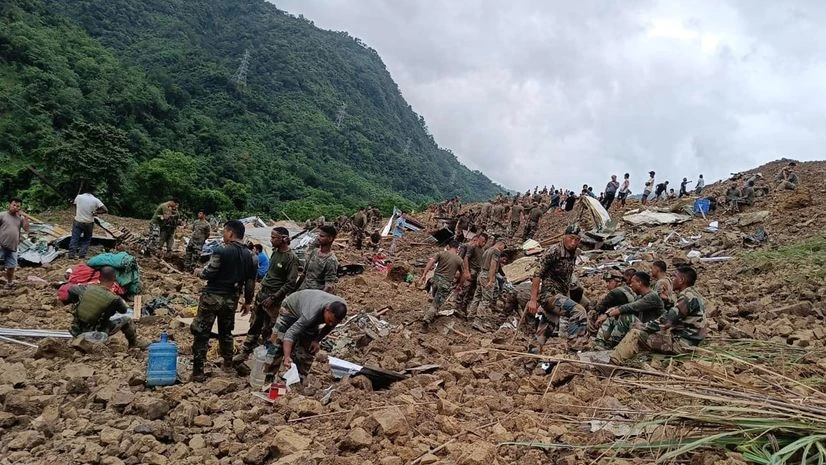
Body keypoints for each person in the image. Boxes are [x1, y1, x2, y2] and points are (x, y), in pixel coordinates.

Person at [190, 220, 256, 382]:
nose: (224, 235)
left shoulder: (221, 251)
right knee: (226, 333)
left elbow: (209, 273)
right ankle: (227, 366)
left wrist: (198, 272)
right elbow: (250, 282)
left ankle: (198, 372)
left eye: (225, 232)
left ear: (230, 233)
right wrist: (247, 302)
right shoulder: (251, 256)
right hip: (231, 299)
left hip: (212, 297)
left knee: (201, 332)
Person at [609, 266, 706, 365]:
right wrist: (667, 301)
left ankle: (612, 364)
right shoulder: (693, 294)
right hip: (690, 340)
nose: (672, 280)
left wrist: (643, 326)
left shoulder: (687, 297)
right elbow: (676, 314)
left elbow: (667, 320)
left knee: (635, 334)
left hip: (683, 344)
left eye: (674, 277)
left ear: (681, 280)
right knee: (652, 332)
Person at [236, 227, 299, 362]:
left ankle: (265, 358)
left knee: (268, 329)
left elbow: (290, 283)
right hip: (262, 294)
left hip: (274, 299)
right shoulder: (275, 252)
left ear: (283, 239)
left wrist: (274, 297)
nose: (271, 240)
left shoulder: (291, 258)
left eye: (274, 238)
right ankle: (246, 352)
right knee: (254, 325)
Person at [266, 289, 347, 377]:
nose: (331, 324)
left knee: (309, 348)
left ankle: (297, 378)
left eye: (334, 323)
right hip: (291, 309)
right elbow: (290, 333)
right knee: (278, 341)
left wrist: (317, 340)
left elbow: (330, 326)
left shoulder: (341, 308)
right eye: (330, 320)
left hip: (311, 313)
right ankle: (268, 375)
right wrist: (287, 357)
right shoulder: (309, 315)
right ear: (327, 310)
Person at [64, 266, 146, 348]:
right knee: (127, 320)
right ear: (114, 279)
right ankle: (133, 344)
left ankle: (81, 339)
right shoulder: (114, 299)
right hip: (97, 333)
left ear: (99, 278)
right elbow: (123, 311)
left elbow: (71, 290)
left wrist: (79, 301)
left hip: (75, 329)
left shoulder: (86, 288)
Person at [526, 224, 581, 343]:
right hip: (550, 295)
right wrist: (533, 300)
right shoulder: (554, 251)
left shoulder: (574, 253)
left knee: (545, 330)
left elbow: (567, 277)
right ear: (564, 237)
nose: (573, 242)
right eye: (571, 238)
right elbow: (537, 274)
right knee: (579, 312)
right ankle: (574, 348)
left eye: (577, 239)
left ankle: (534, 351)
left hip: (561, 294)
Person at [595, 271, 664, 349]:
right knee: (614, 316)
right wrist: (609, 313)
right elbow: (624, 306)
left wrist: (607, 314)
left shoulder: (652, 296)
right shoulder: (641, 296)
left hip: (653, 331)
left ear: (639, 283)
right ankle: (599, 343)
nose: (631, 285)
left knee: (626, 317)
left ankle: (611, 344)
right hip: (641, 328)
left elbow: (630, 307)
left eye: (632, 282)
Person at [419, 240, 464, 326]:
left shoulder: (441, 253)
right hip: (445, 284)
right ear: (458, 248)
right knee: (436, 304)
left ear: (448, 246)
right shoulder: (459, 260)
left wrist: (424, 274)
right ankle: (426, 321)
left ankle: (432, 312)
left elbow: (431, 262)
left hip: (435, 281)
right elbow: (463, 275)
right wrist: (459, 285)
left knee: (435, 298)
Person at [467, 237, 507, 332]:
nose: (503, 249)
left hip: (481, 274)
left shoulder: (487, 250)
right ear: (500, 244)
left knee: (477, 296)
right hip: (487, 275)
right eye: (504, 247)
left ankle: (471, 315)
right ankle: (478, 321)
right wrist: (491, 279)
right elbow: (493, 265)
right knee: (486, 299)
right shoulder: (496, 251)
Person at [588, 269, 636, 335]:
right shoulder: (627, 289)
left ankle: (593, 333)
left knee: (592, 313)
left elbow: (599, 308)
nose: (607, 284)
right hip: (629, 320)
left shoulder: (615, 292)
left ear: (616, 281)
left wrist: (597, 301)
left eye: (609, 281)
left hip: (620, 322)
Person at [69, 187, 107, 260]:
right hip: (89, 222)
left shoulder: (79, 197)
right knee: (86, 239)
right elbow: (105, 210)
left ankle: (71, 255)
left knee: (75, 238)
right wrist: (96, 212)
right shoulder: (95, 200)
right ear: (93, 192)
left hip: (78, 221)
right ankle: (82, 255)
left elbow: (75, 204)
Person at [298, 225, 339, 293]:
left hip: (315, 293)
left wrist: (318, 298)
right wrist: (294, 290)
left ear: (330, 238)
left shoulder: (331, 260)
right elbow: (304, 274)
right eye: (318, 235)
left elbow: (328, 286)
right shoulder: (314, 252)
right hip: (303, 290)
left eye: (322, 236)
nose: (318, 238)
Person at [0, 198, 30, 289]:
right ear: (9, 205)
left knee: (11, 267)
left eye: (18, 206)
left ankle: (9, 283)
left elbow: (26, 229)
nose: (15, 207)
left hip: (13, 247)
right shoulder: (2, 215)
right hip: (1, 245)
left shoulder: (20, 218)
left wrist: (25, 218)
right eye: (13, 205)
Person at [456, 233, 488, 316]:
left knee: (471, 292)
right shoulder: (472, 247)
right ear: (479, 239)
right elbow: (466, 258)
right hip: (471, 271)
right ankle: (458, 306)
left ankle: (464, 307)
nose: (483, 243)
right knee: (464, 289)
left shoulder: (482, 250)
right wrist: (467, 271)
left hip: (477, 273)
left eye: (485, 242)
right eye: (482, 241)